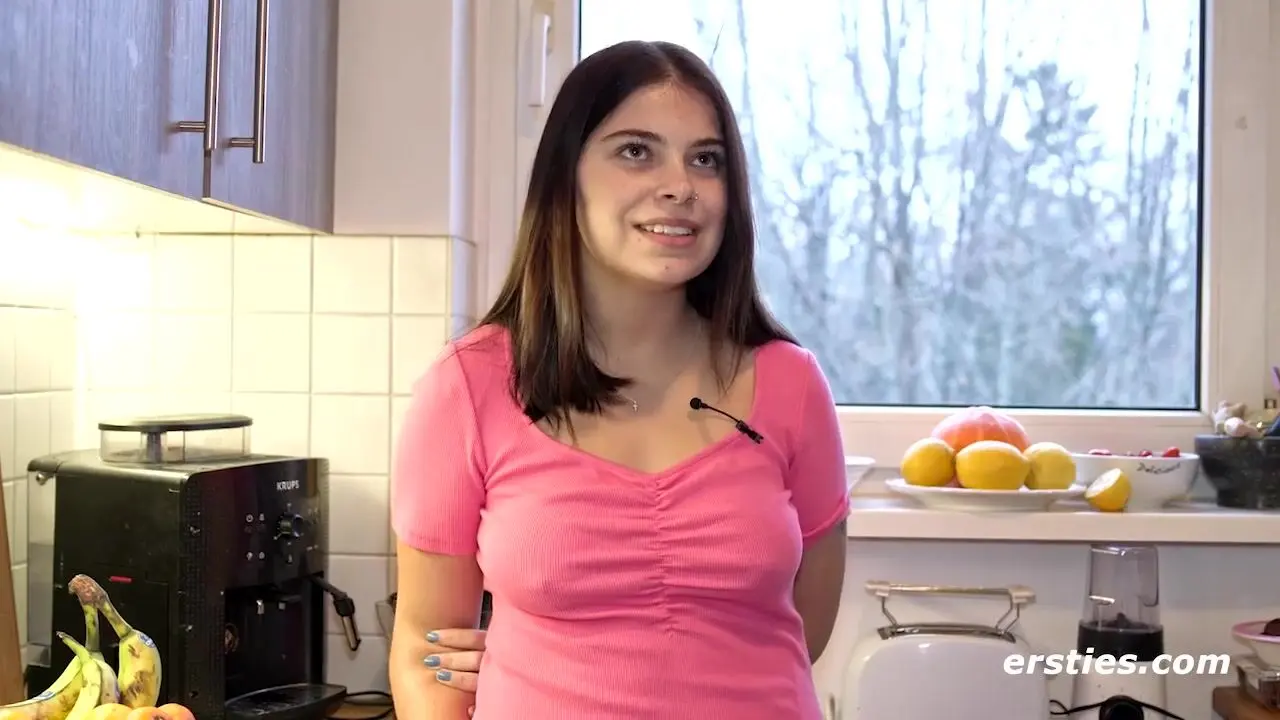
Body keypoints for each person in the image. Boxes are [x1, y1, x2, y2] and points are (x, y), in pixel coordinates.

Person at [389, 39, 849, 720]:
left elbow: (803, 629)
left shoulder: (792, 383)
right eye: (637, 151)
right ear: (564, 176)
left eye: (707, 159)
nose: (681, 186)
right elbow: (426, 652)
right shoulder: (466, 387)